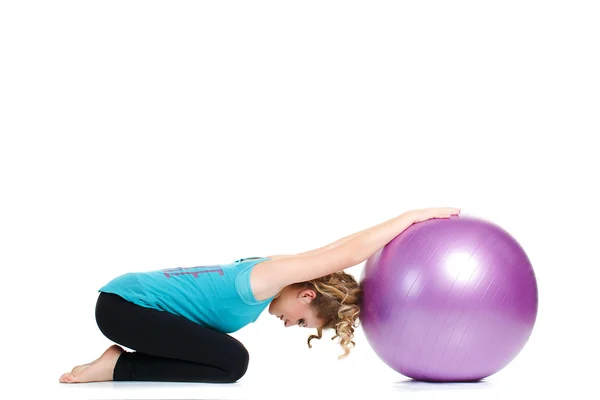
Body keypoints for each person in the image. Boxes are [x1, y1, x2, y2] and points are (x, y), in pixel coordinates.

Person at [59, 207, 460, 384]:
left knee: (230, 360)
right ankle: (118, 368)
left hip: (123, 305)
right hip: (124, 309)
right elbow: (346, 253)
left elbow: (332, 249)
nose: (290, 325)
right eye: (303, 321)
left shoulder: (272, 273)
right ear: (306, 294)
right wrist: (408, 218)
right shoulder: (265, 279)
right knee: (233, 361)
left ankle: (118, 365)